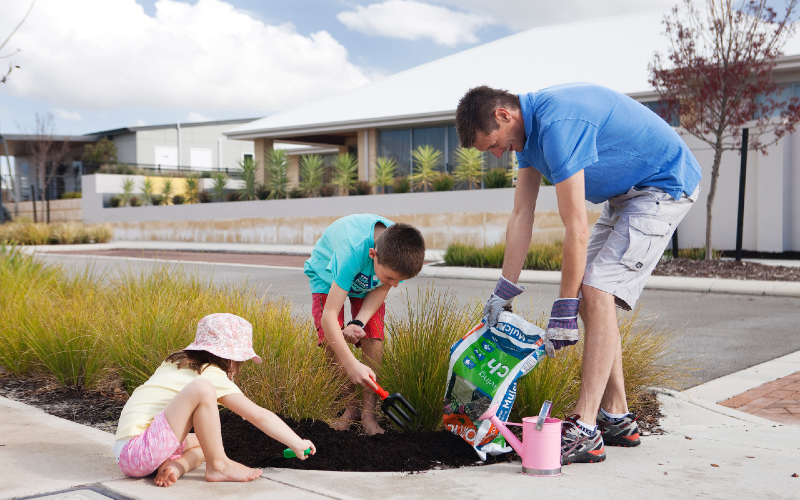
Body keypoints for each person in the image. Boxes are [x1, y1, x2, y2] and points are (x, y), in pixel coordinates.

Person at [455, 83, 701, 465]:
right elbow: (522, 215)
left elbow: (576, 228)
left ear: (504, 116)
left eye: (494, 145)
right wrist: (503, 290)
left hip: (662, 187)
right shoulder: (528, 138)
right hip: (625, 196)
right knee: (591, 294)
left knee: (595, 291)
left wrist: (564, 309)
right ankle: (617, 417)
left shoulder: (558, 123)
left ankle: (586, 429)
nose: (498, 153)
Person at [113, 313, 316, 487]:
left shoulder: (173, 363)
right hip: (138, 452)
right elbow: (259, 416)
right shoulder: (209, 375)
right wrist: (297, 442)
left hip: (134, 452)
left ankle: (176, 466)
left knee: (206, 443)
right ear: (230, 359)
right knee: (203, 389)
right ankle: (218, 465)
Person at [304, 214, 426, 435]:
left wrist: (359, 322)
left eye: (400, 280)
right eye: (391, 278)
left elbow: (381, 286)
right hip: (328, 276)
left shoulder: (396, 254)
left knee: (374, 335)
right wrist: (351, 364)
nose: (395, 285)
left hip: (368, 279)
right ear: (373, 254)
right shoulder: (352, 250)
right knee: (332, 340)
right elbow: (329, 316)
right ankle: (351, 408)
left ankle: (368, 414)